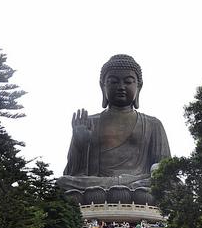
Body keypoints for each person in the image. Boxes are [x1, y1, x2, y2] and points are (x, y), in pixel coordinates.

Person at [58, 55, 171, 203]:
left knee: (171, 184)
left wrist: (158, 174)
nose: (121, 87)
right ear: (102, 86)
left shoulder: (153, 124)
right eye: (113, 81)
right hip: (96, 185)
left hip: (139, 184)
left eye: (128, 82)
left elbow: (165, 171)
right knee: (62, 183)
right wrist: (80, 145)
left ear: (139, 86)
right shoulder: (89, 122)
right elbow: (73, 174)